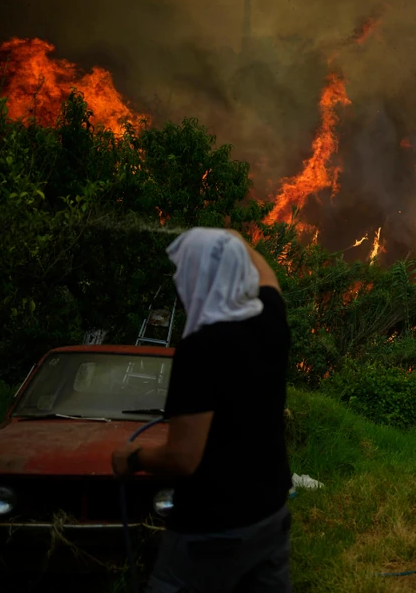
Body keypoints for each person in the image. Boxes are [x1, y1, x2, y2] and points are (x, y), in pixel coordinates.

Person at [111, 227, 293, 592]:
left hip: (213, 524)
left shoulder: (200, 349)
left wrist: (132, 458)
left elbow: (183, 458)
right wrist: (233, 239)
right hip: (271, 513)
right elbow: (268, 275)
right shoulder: (270, 319)